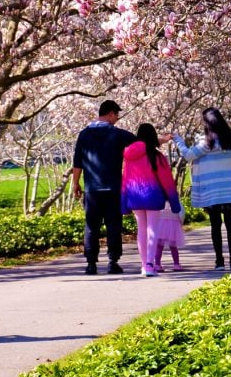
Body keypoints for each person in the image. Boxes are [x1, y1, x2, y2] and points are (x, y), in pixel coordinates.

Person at [173, 107, 231, 271]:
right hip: (230, 190)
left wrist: (178, 140)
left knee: (215, 225)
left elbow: (189, 155)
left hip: (213, 191)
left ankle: (219, 261)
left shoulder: (208, 143)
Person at [71, 100, 136, 275]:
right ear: (110, 114)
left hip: (92, 190)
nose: (117, 119)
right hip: (113, 188)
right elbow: (140, 143)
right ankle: (112, 262)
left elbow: (77, 163)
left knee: (91, 226)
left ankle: (91, 264)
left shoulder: (84, 135)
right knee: (113, 225)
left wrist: (76, 183)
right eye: (116, 115)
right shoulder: (118, 134)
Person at [120, 123, 181, 277]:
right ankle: (149, 264)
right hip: (153, 196)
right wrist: (174, 203)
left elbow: (125, 179)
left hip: (135, 196)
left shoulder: (129, 156)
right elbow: (167, 181)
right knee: (152, 229)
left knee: (141, 229)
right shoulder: (156, 156)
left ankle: (143, 265)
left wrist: (124, 202)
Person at [152, 200, 186, 272]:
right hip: (173, 226)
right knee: (173, 246)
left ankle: (157, 264)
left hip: (160, 225)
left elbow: (154, 214)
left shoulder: (159, 202)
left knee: (159, 246)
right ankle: (176, 264)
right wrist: (180, 223)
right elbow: (181, 214)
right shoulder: (176, 202)